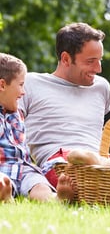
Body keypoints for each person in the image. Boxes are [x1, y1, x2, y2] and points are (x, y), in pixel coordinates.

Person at [19, 22, 110, 188]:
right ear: (66, 59)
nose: (98, 69)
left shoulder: (101, 87)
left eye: (100, 60)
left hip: (102, 161)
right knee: (80, 160)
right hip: (60, 162)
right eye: (91, 61)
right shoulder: (30, 83)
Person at [0, 53, 74, 202]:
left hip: (25, 170)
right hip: (3, 170)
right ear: (2, 85)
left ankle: (55, 199)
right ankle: (6, 196)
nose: (23, 92)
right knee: (2, 182)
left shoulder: (16, 114)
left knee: (39, 186)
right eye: (20, 85)